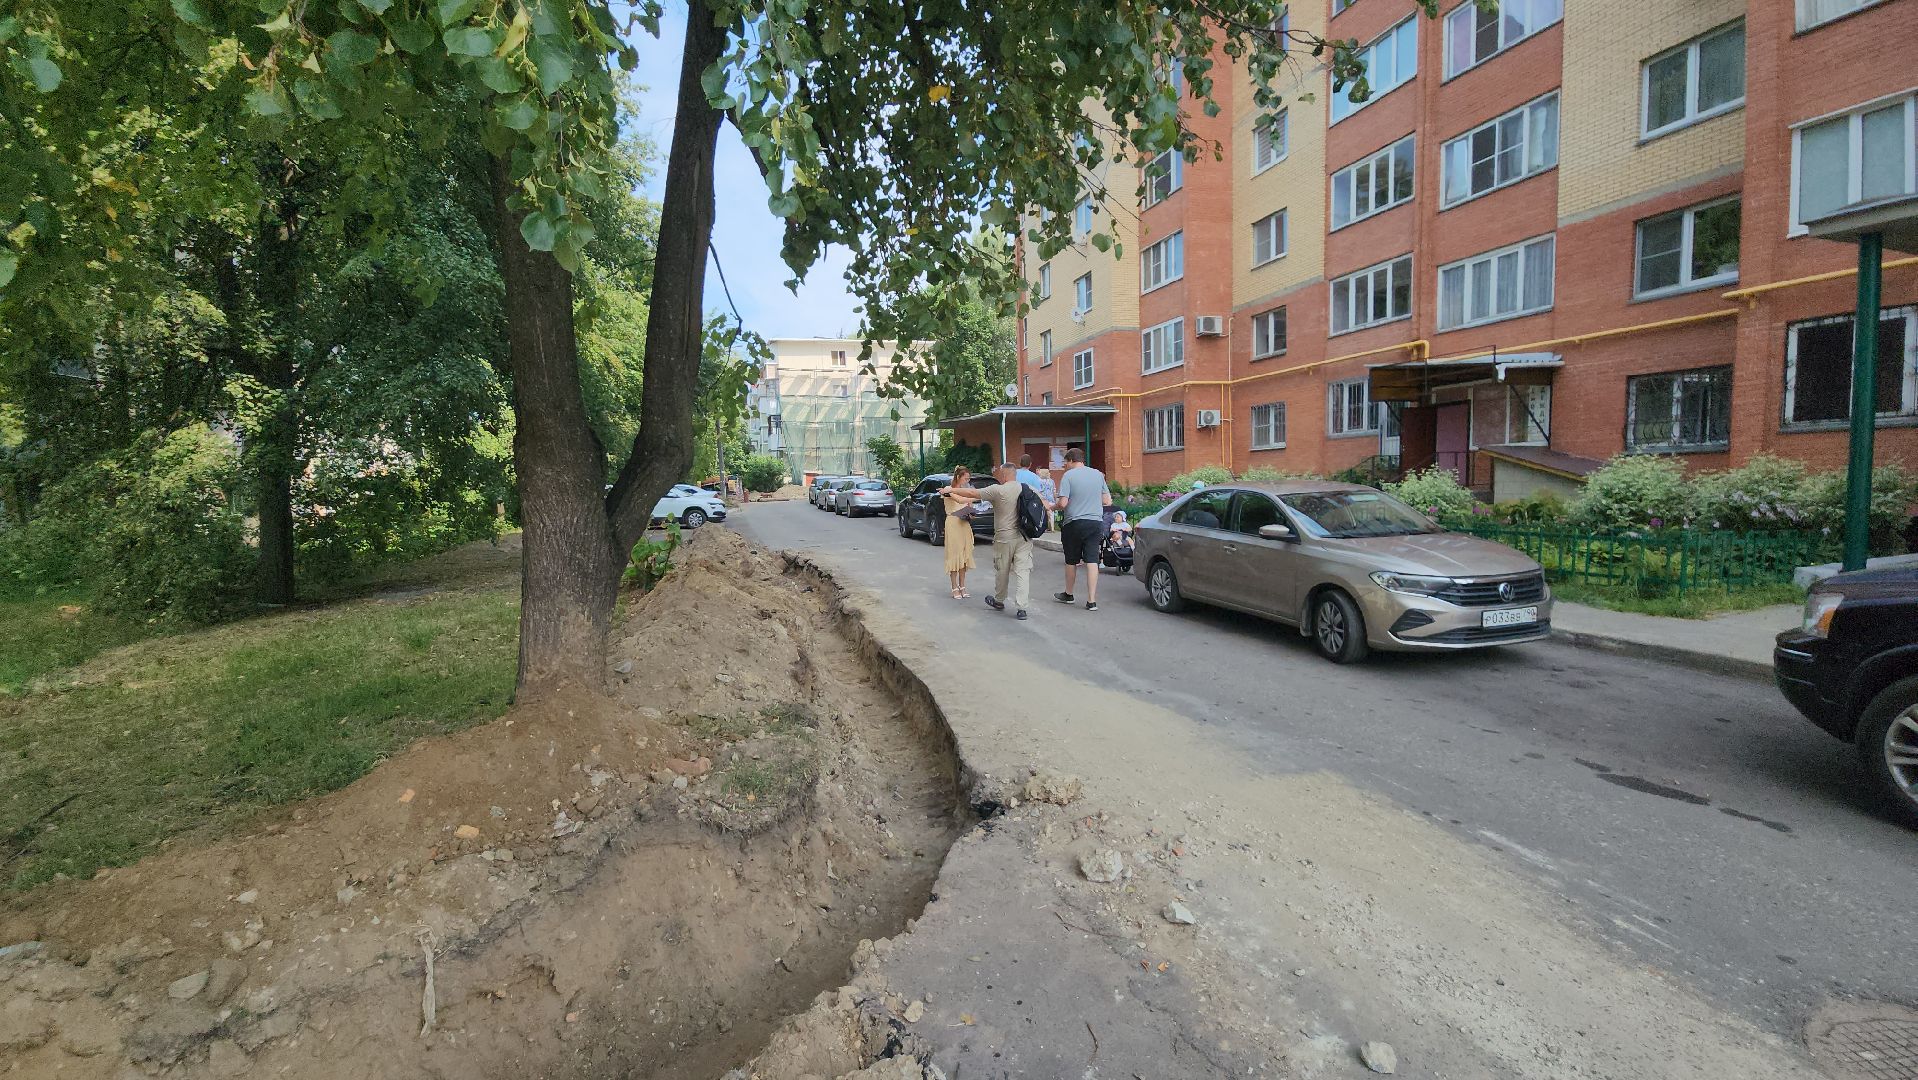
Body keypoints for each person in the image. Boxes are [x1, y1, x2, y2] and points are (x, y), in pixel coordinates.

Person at [943, 462, 1032, 620]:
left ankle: (999, 600)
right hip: (1024, 536)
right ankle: (1022, 607)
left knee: (1002, 569)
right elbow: (1047, 504)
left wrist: (951, 490)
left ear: (1004, 475)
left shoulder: (997, 490)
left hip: (1004, 537)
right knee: (1023, 572)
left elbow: (972, 493)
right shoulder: (1026, 488)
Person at [1051, 447, 1113, 610]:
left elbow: (1063, 503)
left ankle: (1069, 594)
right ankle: (1091, 601)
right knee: (1092, 560)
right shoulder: (1098, 474)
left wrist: (1052, 507)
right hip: (1095, 523)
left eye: (1066, 462)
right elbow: (1107, 500)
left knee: (1071, 560)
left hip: (1074, 523)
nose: (1065, 465)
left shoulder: (1069, 476)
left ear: (1071, 460)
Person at [940, 466, 978, 599]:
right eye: (965, 478)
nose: (967, 481)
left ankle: (962, 586)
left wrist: (971, 512)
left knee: (964, 555)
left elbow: (969, 508)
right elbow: (960, 500)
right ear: (958, 477)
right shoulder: (948, 489)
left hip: (964, 523)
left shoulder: (966, 491)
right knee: (954, 555)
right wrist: (975, 497)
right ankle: (954, 587)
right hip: (953, 523)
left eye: (968, 478)